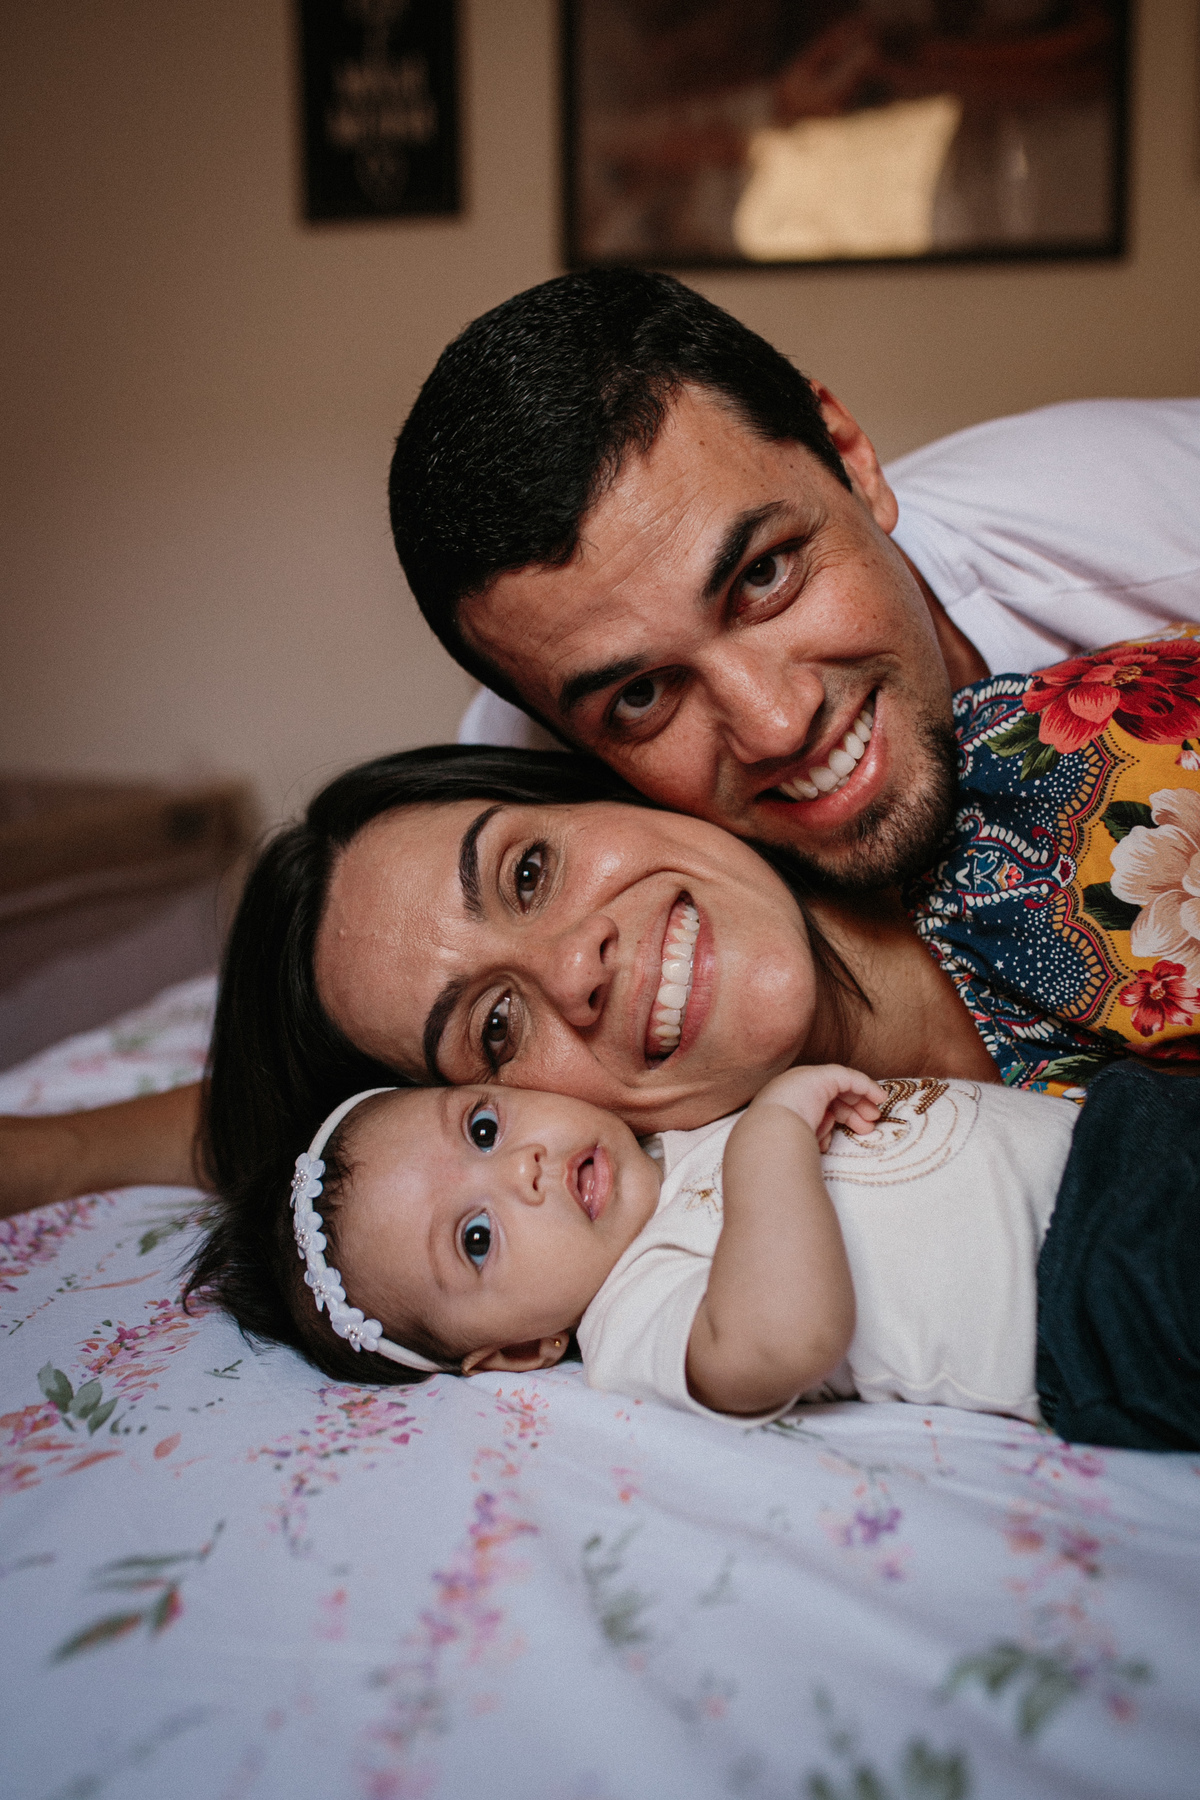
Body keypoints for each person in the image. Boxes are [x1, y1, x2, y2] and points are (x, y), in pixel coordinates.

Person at [192, 1045, 1200, 1452]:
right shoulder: (635, 1315)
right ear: (520, 1351)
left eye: (484, 1129)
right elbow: (785, 1339)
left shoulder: (666, 1136)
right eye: (477, 1237)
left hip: (1124, 1129)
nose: (523, 1171)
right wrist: (773, 1135)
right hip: (1102, 1287)